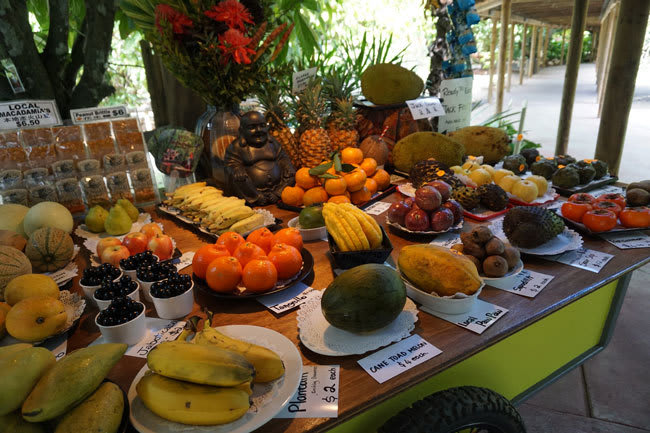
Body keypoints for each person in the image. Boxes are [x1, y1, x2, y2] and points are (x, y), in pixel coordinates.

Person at [225, 111, 295, 206]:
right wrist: (236, 168)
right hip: (251, 188)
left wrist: (287, 166)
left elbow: (282, 157)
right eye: (252, 127)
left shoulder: (272, 143)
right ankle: (257, 197)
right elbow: (231, 162)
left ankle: (278, 193)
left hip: (277, 185)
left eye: (262, 126)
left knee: (291, 174)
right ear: (242, 130)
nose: (258, 130)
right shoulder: (236, 146)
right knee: (238, 177)